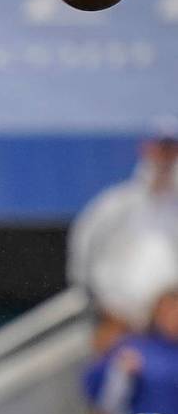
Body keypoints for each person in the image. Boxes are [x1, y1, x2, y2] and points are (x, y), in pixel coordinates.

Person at [67, 115, 178, 353]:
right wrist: (104, 309)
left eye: (172, 149)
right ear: (148, 149)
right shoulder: (115, 206)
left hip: (171, 336)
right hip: (121, 328)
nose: (167, 157)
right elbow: (83, 263)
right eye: (162, 148)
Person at [85, 272, 178, 414]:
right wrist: (119, 373)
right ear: (156, 314)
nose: (173, 318)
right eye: (168, 312)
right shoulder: (133, 347)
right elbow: (100, 400)